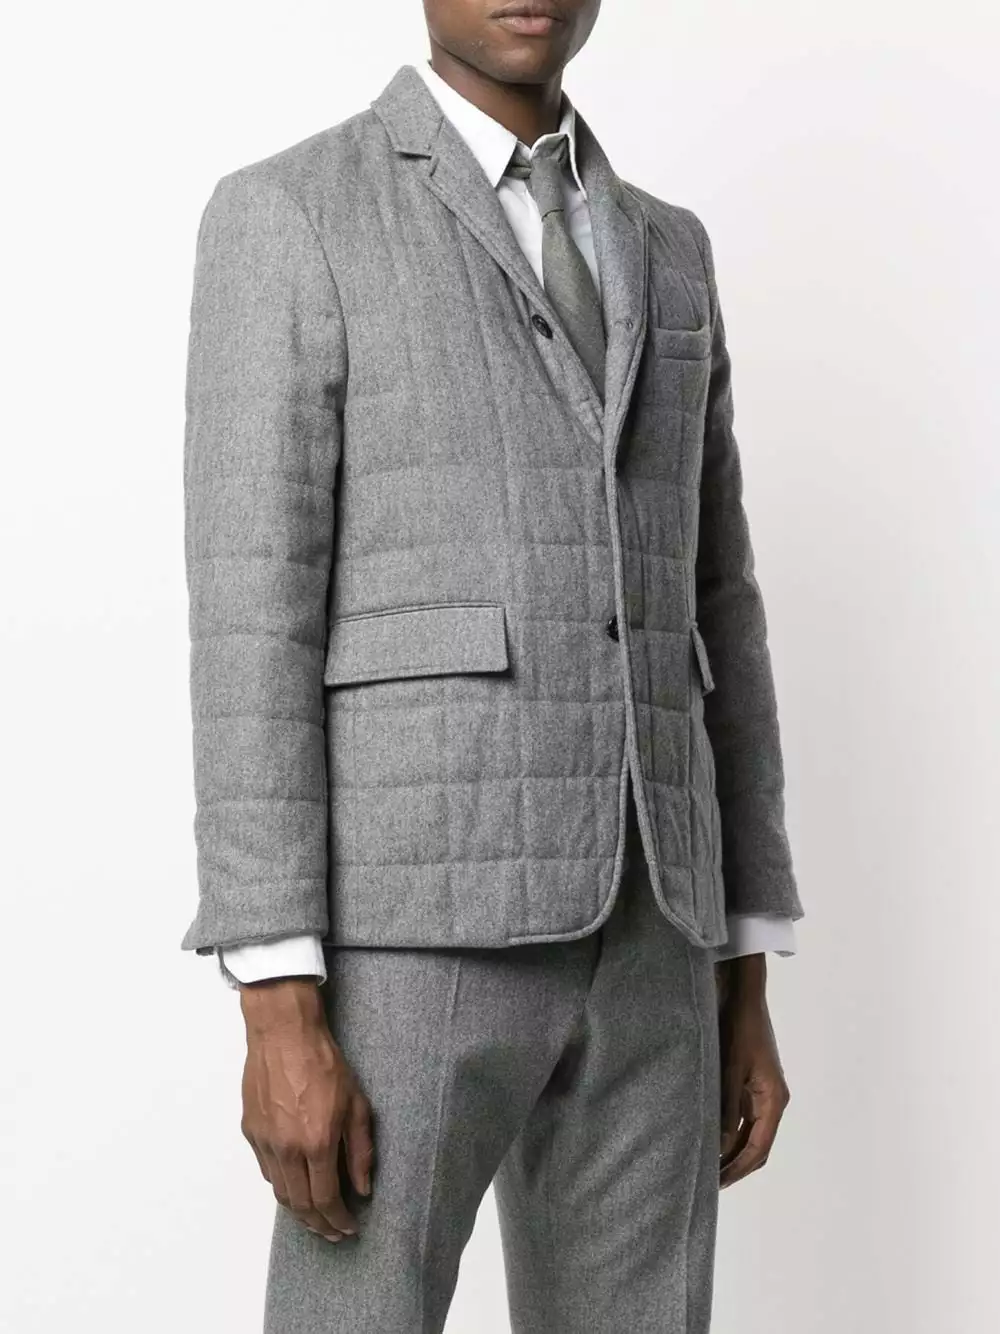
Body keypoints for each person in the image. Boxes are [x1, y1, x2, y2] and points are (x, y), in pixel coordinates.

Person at [180, 2, 804, 1329]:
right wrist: (275, 996)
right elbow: (252, 616)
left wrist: (743, 956)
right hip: (408, 926)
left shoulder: (669, 248)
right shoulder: (292, 215)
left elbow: (717, 604)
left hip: (657, 927)